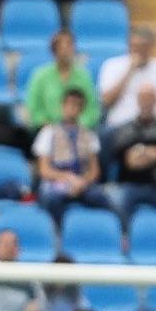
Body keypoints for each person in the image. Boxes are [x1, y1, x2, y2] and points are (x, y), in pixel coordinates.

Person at [103, 84, 156, 221]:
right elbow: (132, 161)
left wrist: (143, 151)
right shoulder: (125, 129)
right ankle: (123, 238)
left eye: (150, 98)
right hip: (130, 184)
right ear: (138, 100)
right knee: (114, 198)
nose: (146, 102)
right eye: (143, 98)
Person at [32, 86, 109, 221]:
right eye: (70, 104)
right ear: (63, 105)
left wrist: (82, 182)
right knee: (50, 198)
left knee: (100, 197)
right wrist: (67, 178)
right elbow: (44, 170)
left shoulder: (89, 135)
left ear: (82, 109)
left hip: (81, 181)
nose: (73, 108)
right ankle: (55, 233)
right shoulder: (48, 132)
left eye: (77, 105)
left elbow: (94, 170)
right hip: (57, 180)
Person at [96, 27, 156, 132]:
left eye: (143, 47)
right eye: (135, 47)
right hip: (119, 128)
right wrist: (129, 70)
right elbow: (106, 101)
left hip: (154, 129)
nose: (139, 51)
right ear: (128, 46)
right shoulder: (111, 65)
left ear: (151, 47)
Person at [20, 31, 100, 133]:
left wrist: (77, 126)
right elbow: (33, 109)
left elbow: (92, 109)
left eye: (69, 45)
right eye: (61, 46)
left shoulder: (84, 76)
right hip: (46, 132)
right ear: (53, 50)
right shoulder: (40, 75)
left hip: (79, 132)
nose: (66, 50)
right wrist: (51, 127)